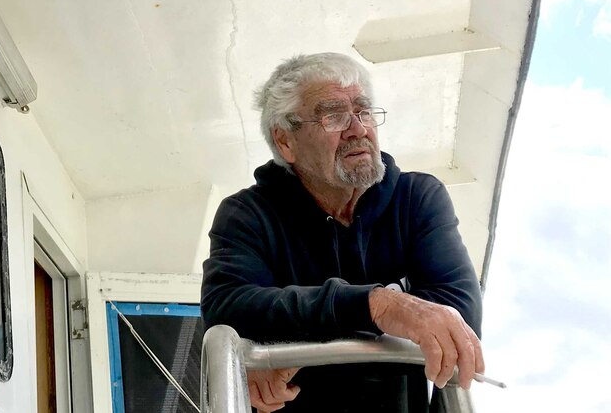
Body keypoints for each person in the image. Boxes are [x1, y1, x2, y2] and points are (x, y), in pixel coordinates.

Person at [200, 53, 484, 412]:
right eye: (334, 116)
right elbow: (229, 307)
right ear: (285, 142)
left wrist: (290, 343)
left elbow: (459, 316)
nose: (358, 129)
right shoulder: (247, 214)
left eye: (364, 112)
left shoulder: (417, 199)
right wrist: (379, 305)